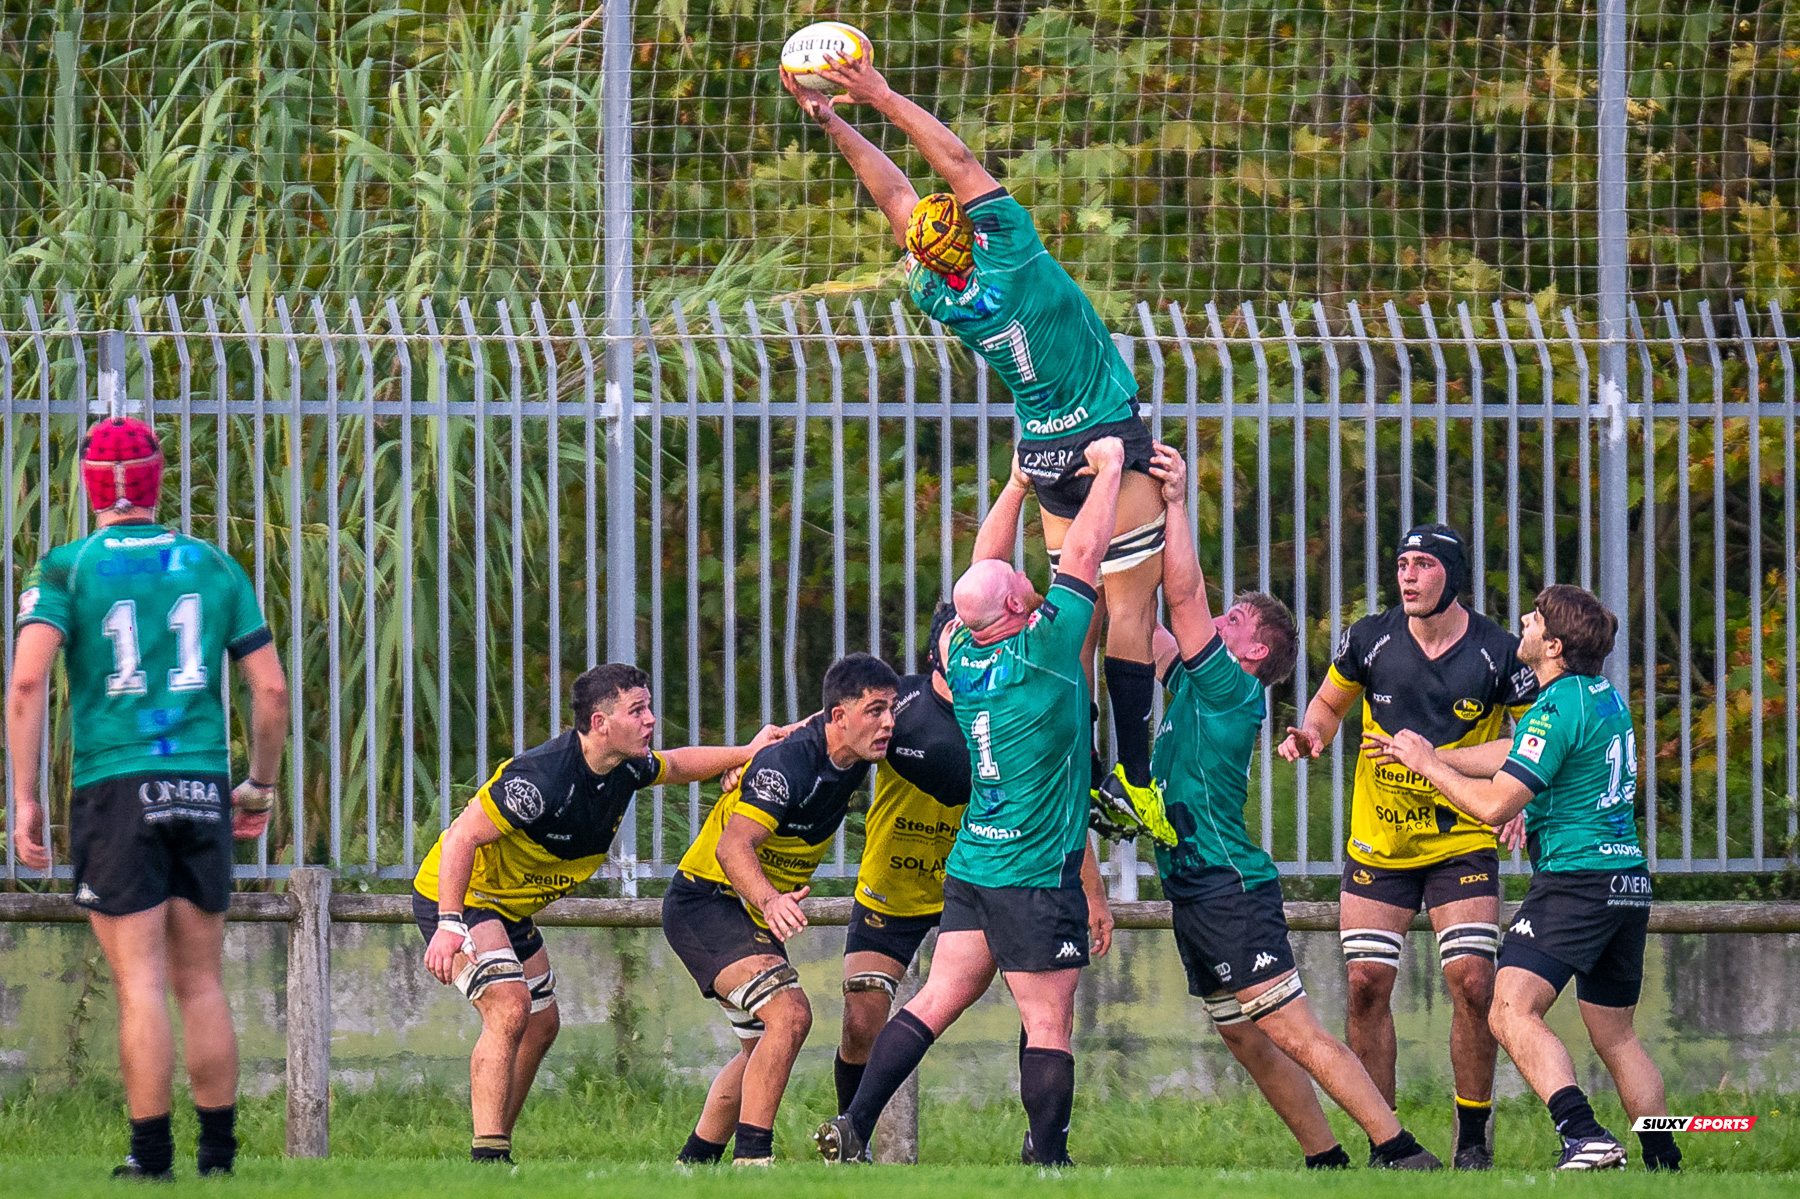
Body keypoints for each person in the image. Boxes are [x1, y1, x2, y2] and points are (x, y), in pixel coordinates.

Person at [780, 53, 1174, 846]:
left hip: (1040, 457)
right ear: (970, 229)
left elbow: (893, 197)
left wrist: (832, 122)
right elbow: (950, 163)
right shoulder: (1013, 257)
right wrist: (883, 95)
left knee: (1077, 628)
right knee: (1128, 613)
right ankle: (1135, 777)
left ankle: (1087, 776)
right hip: (1102, 437)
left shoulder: (940, 293)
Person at [816, 439, 1124, 1168]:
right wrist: (1110, 470)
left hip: (976, 859)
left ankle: (854, 1121)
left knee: (934, 1001)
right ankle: (1048, 1159)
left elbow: (976, 583)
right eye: (1023, 579)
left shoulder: (960, 649)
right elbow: (1084, 558)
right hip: (1030, 870)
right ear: (1020, 603)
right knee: (1047, 1018)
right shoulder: (1047, 651)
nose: (1030, 578)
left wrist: (1017, 486)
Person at [5, 417, 289, 1180]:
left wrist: (24, 799)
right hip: (198, 781)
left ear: (92, 484)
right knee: (200, 978)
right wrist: (257, 783)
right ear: (156, 481)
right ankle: (220, 1160)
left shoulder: (66, 568)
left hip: (115, 784)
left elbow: (28, 679)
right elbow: (271, 689)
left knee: (140, 982)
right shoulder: (212, 564)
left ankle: (151, 1157)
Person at [1144, 443, 1440, 1170]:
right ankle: (1325, 1159)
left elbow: (1182, 599)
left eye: (1235, 615)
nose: (1220, 615)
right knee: (1246, 1037)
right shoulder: (1191, 677)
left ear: (1254, 649)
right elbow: (1133, 610)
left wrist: (1179, 501)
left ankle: (1399, 1148)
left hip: (1227, 885)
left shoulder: (1230, 688)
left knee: (1293, 1028)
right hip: (1193, 887)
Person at [414, 664, 781, 1164]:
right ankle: (489, 1161)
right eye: (638, 711)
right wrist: (449, 925)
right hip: (460, 898)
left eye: (649, 707)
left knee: (542, 1026)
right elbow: (461, 839)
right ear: (600, 723)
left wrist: (746, 753)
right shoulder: (540, 779)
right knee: (508, 1006)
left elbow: (677, 765)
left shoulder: (625, 767)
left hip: (508, 909)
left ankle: (497, 1146)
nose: (651, 719)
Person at [1367, 585, 1679, 1172]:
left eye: (1535, 620)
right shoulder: (1601, 696)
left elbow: (1494, 807)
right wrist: (1431, 750)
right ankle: (1664, 1164)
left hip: (1577, 882)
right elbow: (1516, 750)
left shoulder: (1555, 706)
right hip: (1626, 882)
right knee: (1616, 1037)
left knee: (1508, 1009)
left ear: (1554, 646)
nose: (1525, 623)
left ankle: (1583, 1134)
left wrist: (1429, 767)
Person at [1278, 524, 1537, 1167]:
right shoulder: (1370, 639)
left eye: (1423, 564)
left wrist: (1495, 790)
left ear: (1453, 576)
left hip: (1461, 839)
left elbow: (1533, 741)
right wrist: (1310, 734)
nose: (1408, 576)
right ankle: (1385, 1140)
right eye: (1402, 564)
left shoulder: (1500, 652)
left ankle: (1472, 1138)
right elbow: (1328, 707)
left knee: (1474, 981)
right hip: (1381, 841)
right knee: (1366, 982)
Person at [663, 654, 899, 1166]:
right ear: (840, 717)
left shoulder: (854, 741)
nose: (889, 723)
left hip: (746, 911)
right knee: (790, 1015)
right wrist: (770, 899)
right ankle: (754, 1161)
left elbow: (808, 723)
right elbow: (733, 847)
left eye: (892, 709)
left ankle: (693, 1163)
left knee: (760, 1050)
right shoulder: (786, 766)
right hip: (708, 901)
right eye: (876, 710)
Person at [834, 603, 972, 1117]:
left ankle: (1042, 1149)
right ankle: (851, 1141)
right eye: (960, 635)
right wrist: (748, 764)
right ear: (938, 646)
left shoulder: (1014, 706)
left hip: (977, 885)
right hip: (894, 884)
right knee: (860, 1021)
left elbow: (1057, 795)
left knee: (1040, 1007)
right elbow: (824, 739)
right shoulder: (898, 702)